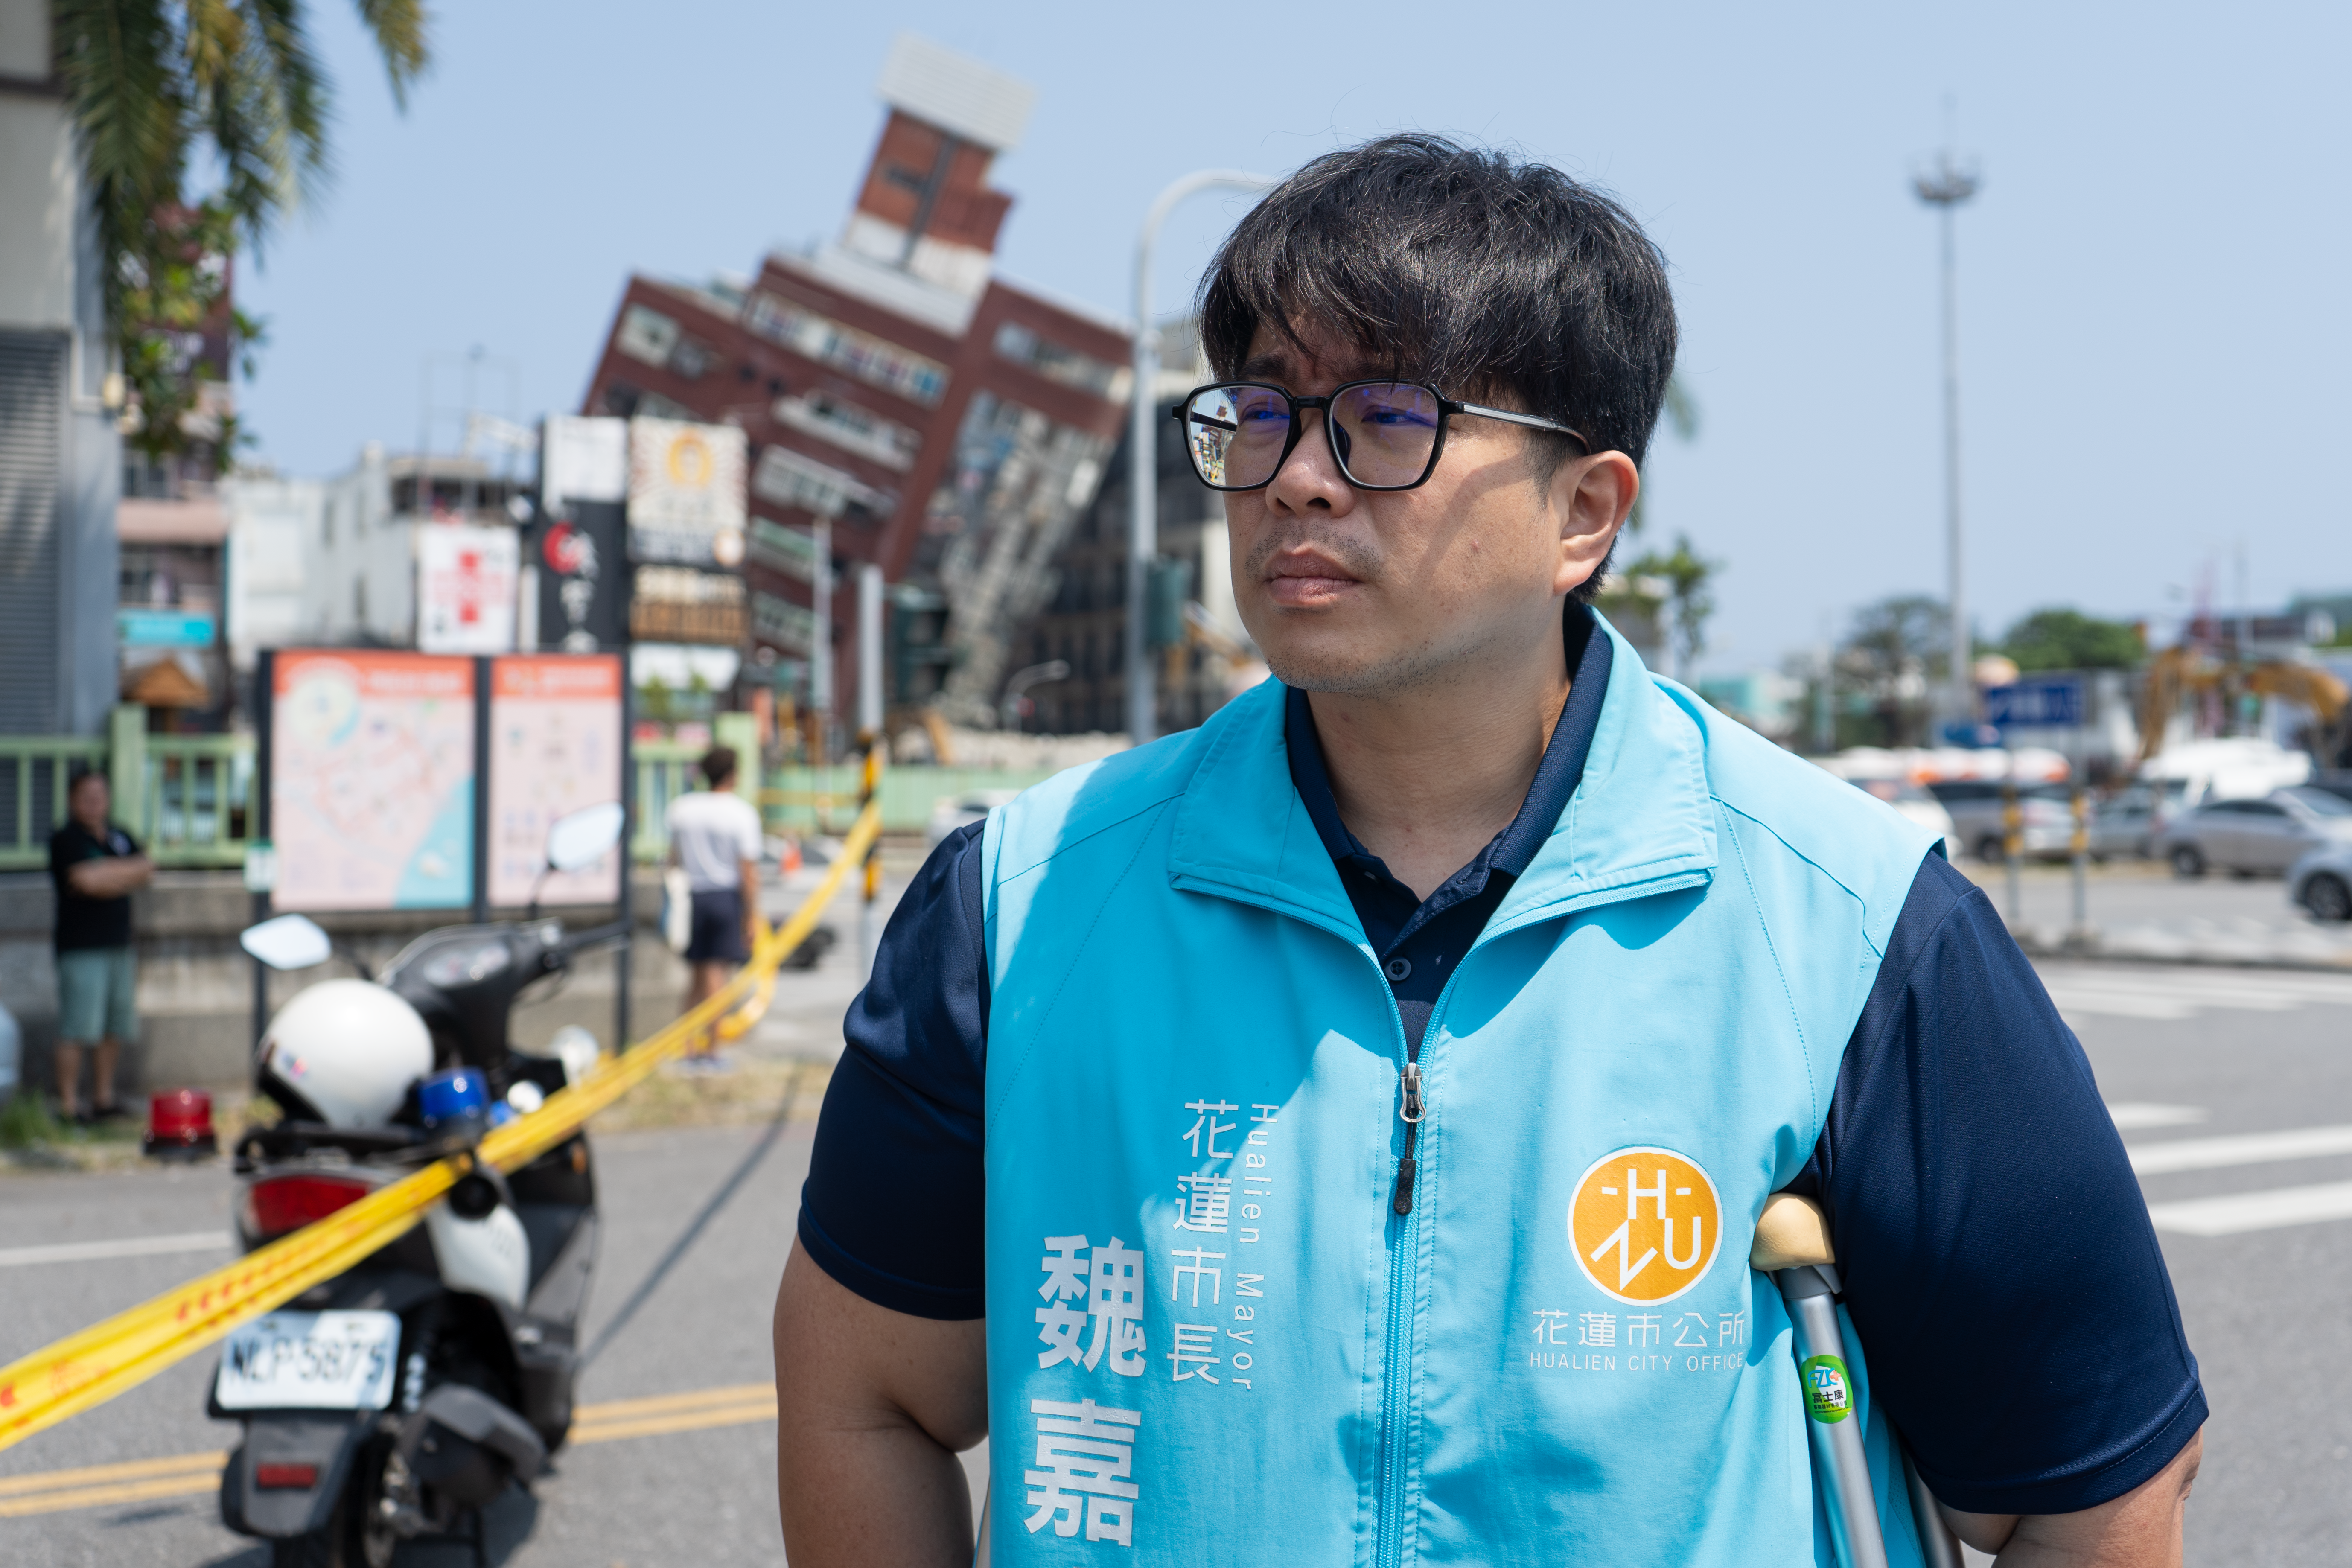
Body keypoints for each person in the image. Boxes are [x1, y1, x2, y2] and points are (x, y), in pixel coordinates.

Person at [773, 137, 2203, 1566]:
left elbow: (2091, 1491)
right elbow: (864, 1393)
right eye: (1261, 413)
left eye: (1386, 418)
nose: (1296, 479)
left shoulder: (1851, 924)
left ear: (1583, 513)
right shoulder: (1021, 902)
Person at [49, 769, 154, 1123]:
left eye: (100, 796)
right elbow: (85, 882)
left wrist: (106, 874)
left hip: (119, 943)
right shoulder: (65, 838)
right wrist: (125, 875)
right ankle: (69, 1105)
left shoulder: (120, 835)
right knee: (78, 1027)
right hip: (81, 947)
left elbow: (148, 869)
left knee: (114, 1026)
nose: (94, 803)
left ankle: (102, 1098)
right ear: (72, 800)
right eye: (86, 797)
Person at [664, 746, 762, 1070]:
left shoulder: (683, 809)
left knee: (696, 976)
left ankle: (688, 1046)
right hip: (725, 897)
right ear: (733, 774)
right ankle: (712, 1050)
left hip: (694, 896)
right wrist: (752, 916)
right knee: (717, 977)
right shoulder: (742, 813)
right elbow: (748, 873)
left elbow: (673, 859)